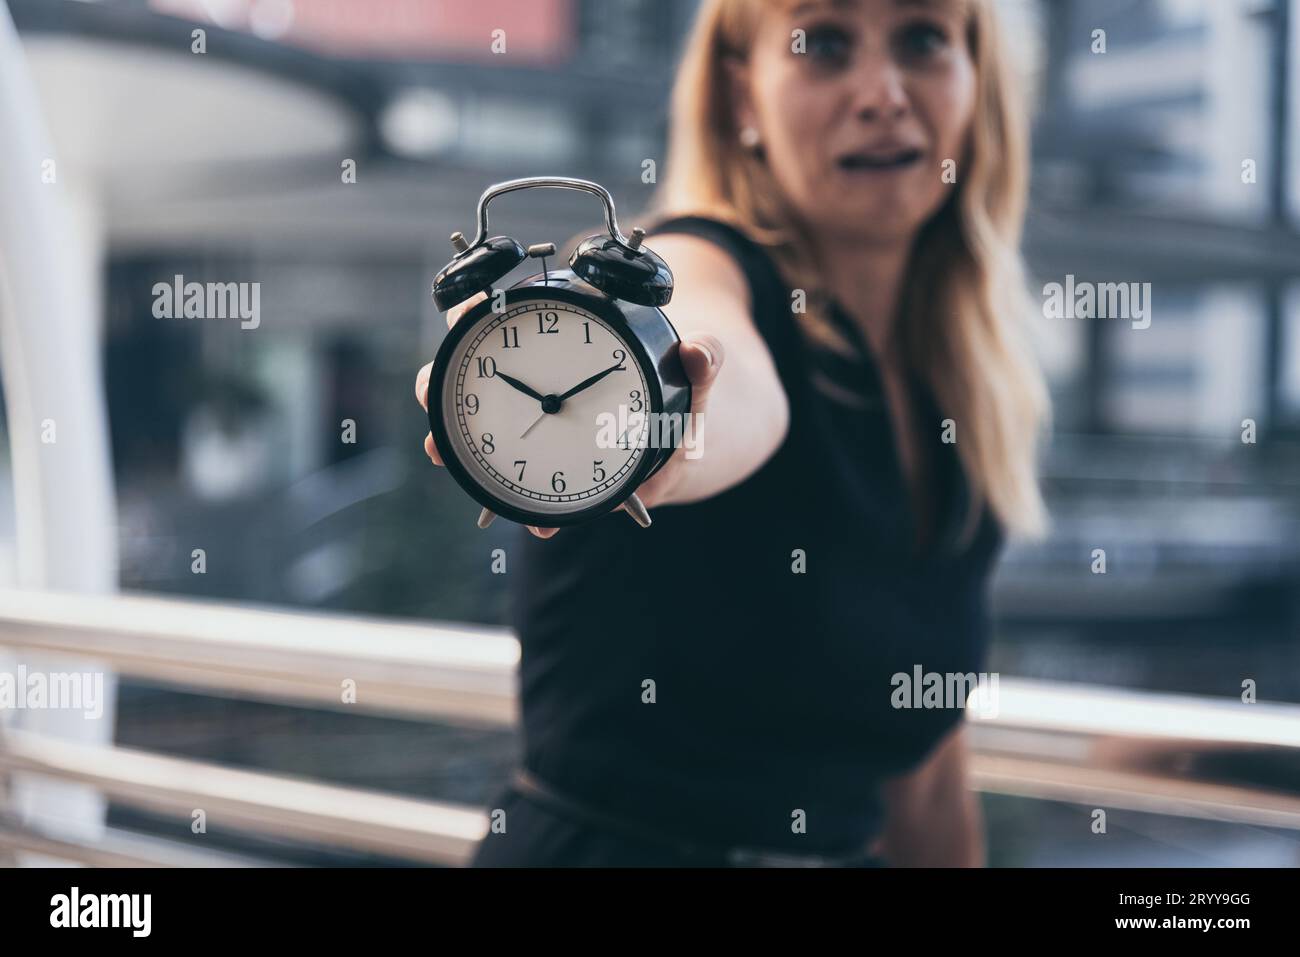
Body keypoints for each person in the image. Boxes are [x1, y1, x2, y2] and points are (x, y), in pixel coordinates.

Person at [414, 0, 1048, 867]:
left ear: (978, 82)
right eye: (824, 43)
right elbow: (723, 362)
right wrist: (665, 428)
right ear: (740, 95)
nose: (882, 92)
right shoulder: (703, 264)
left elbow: (926, 777)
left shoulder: (959, 389)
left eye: (923, 38)